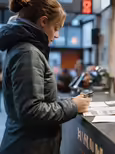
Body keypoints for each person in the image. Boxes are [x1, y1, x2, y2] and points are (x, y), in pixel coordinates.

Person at [0, 0, 91, 154]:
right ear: (43, 22)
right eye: (56, 28)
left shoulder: (24, 48)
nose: (57, 35)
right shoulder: (28, 53)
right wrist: (74, 106)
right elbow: (32, 111)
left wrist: (70, 102)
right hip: (29, 147)